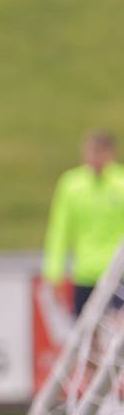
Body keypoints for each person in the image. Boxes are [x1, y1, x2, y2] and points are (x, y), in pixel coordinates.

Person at [40, 130, 124, 320]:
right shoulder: (72, 185)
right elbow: (59, 231)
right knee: (87, 336)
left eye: (99, 152)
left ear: (110, 154)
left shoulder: (121, 183)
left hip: (118, 274)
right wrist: (54, 273)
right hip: (85, 273)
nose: (95, 158)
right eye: (91, 152)